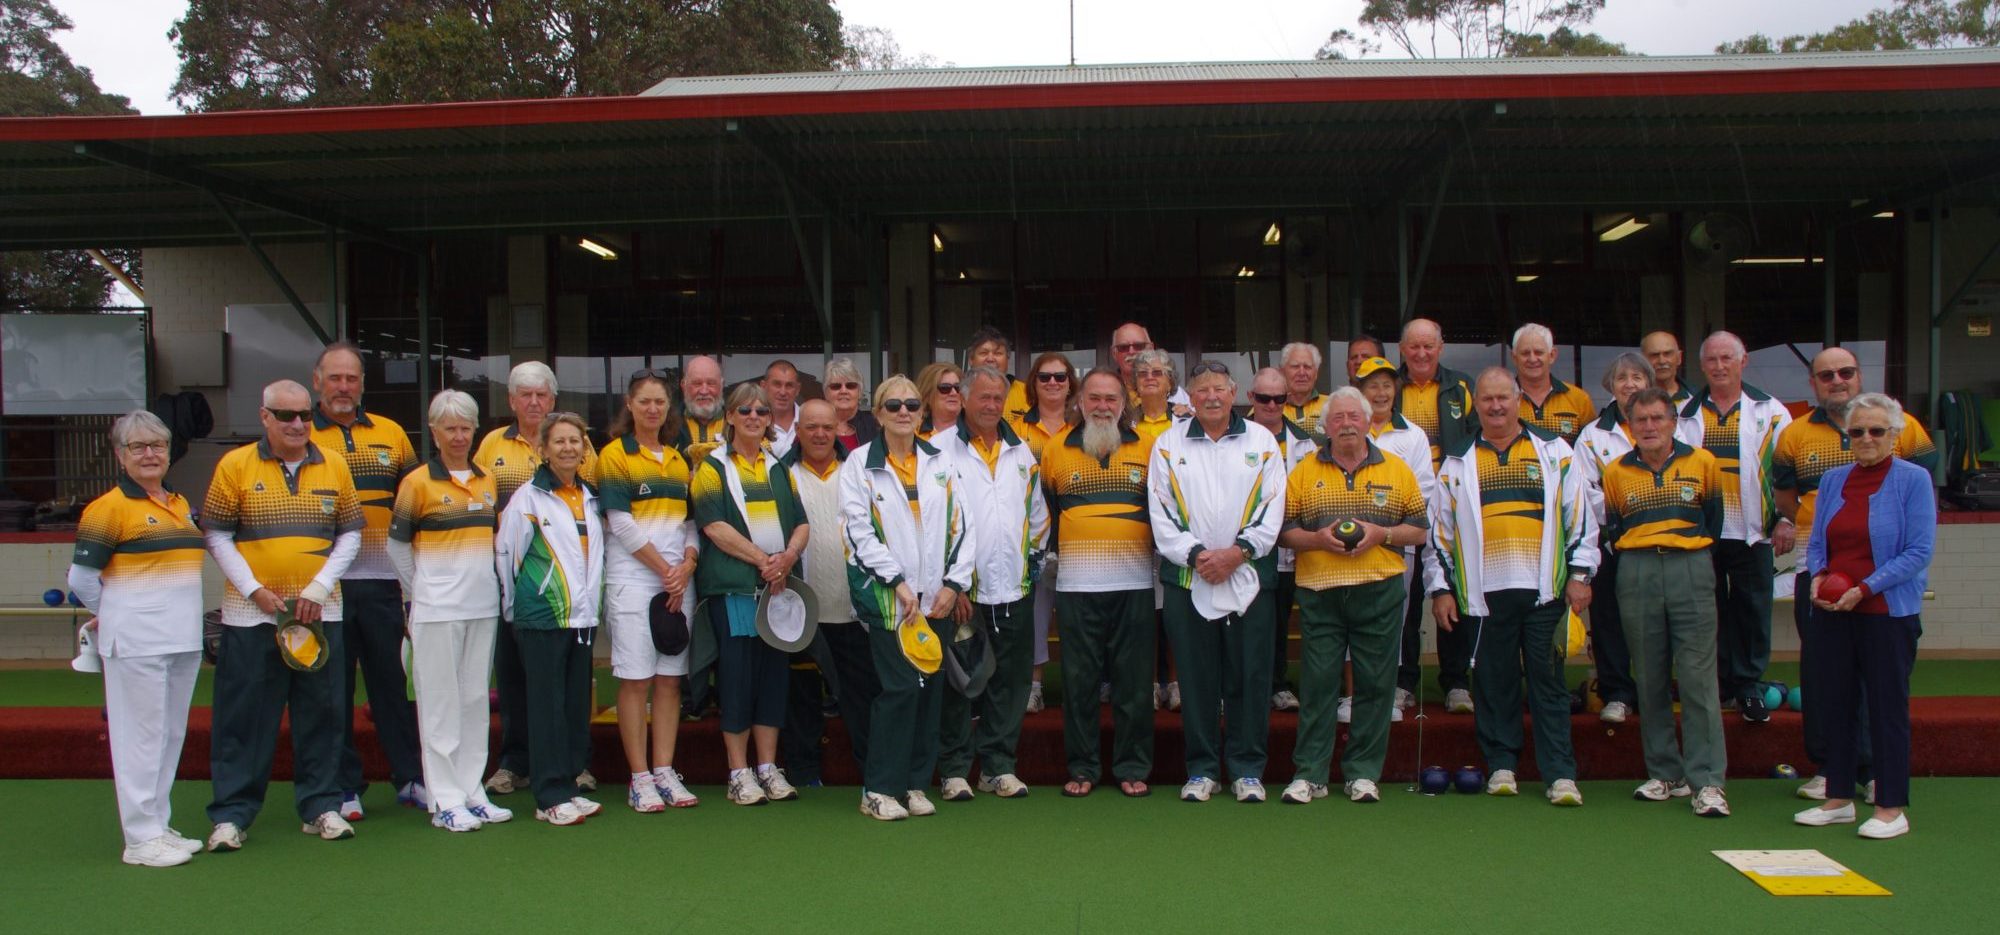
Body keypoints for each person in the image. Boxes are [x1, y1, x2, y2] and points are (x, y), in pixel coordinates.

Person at [201, 380, 364, 851]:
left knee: (325, 714)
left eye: (304, 415)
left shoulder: (333, 464)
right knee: (245, 717)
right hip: (251, 618)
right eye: (286, 415)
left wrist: (317, 586)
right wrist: (254, 590)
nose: (298, 424)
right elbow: (217, 535)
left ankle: (321, 807)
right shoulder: (235, 465)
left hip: (319, 613)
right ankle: (232, 816)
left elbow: (349, 536)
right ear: (265, 416)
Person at [1427, 368, 1597, 805]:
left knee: (1549, 682)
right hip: (1483, 598)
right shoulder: (1458, 460)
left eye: (1504, 398)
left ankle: (1560, 774)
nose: (1496, 406)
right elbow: (1439, 536)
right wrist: (1441, 590)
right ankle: (1501, 765)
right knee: (1493, 683)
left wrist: (1580, 576)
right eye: (1487, 400)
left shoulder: (1555, 450)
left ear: (1518, 399)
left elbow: (1579, 518)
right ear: (1476, 405)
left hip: (1546, 593)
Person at [1774, 351, 1938, 801]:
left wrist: (1863, 589)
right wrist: (1823, 579)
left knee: (1885, 705)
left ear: (1894, 435)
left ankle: (1886, 795)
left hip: (1885, 605)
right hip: (1832, 602)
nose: (1866, 437)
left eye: (1876, 431)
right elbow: (1815, 535)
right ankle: (1837, 790)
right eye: (1858, 431)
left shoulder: (1912, 478)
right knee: (1834, 697)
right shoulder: (1831, 478)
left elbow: (1919, 549)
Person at [68, 410, 207, 866]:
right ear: (120, 455)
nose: (150, 454)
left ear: (170, 452)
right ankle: (140, 839)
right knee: (140, 739)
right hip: (137, 642)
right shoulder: (107, 509)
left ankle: (158, 826)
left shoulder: (179, 503)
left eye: (158, 446)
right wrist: (111, 613)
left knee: (168, 735)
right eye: (138, 447)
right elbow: (82, 579)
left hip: (181, 639)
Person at [1278, 389, 1429, 805]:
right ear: (1325, 426)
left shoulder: (1397, 470)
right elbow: (1284, 531)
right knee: (1319, 684)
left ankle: (1362, 774)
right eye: (1338, 417)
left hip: (1378, 589)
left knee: (1376, 686)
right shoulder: (1304, 471)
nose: (1346, 423)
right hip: (1319, 591)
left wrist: (1383, 534)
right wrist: (1316, 539)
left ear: (1367, 422)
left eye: (1353, 416)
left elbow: (1418, 528)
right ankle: (1310, 774)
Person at [842, 375, 977, 820]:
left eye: (912, 405)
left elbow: (963, 526)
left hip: (934, 597)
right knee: (899, 689)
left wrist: (953, 585)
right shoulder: (859, 464)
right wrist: (896, 582)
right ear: (878, 413)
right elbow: (857, 532)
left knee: (930, 692)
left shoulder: (940, 463)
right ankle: (879, 789)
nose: (904, 412)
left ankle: (916, 784)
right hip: (888, 600)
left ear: (922, 413)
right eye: (893, 405)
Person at [1150, 361, 1285, 803]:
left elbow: (1272, 506)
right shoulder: (1167, 445)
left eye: (1220, 389)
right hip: (1190, 580)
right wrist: (1197, 556)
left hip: (1247, 579)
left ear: (1234, 394)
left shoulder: (1262, 441)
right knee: (1196, 678)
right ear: (1190, 396)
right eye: (1202, 389)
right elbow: (1161, 511)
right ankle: (1202, 769)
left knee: (1249, 677)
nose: (1211, 396)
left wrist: (1237, 554)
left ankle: (1247, 770)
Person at [386, 390, 513, 832]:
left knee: (475, 699)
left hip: (481, 606)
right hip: (437, 610)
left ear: (475, 430)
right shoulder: (417, 482)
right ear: (434, 432)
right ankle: (444, 799)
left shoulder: (486, 481)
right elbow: (397, 547)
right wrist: (419, 592)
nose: (458, 436)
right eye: (450, 428)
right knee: (439, 703)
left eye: (465, 427)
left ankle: (471, 790)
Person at [1602, 388, 1731, 818]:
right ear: (1630, 426)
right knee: (1650, 675)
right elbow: (1616, 527)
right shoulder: (1616, 472)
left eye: (1658, 418)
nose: (1650, 427)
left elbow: (1713, 519)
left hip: (1690, 566)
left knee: (1697, 677)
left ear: (1674, 422)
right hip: (1636, 569)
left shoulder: (1703, 463)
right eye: (1641, 421)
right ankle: (1664, 772)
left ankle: (1708, 781)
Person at [308, 342, 423, 822]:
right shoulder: (302, 436)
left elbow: (419, 500)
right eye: (334, 378)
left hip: (383, 581)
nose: (343, 387)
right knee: (333, 690)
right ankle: (344, 786)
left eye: (351, 378)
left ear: (361, 383)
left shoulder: (392, 434)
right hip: (326, 586)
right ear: (318, 381)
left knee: (391, 685)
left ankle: (411, 778)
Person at [475, 360, 598, 797]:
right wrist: (515, 593)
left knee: (567, 688)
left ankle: (573, 764)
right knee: (516, 683)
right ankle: (515, 762)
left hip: (571, 597)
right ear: (511, 401)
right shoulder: (490, 445)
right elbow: (486, 511)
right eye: (524, 395)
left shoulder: (580, 454)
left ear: (552, 399)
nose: (533, 401)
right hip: (525, 588)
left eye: (541, 394)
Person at [690, 383, 811, 806]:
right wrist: (765, 560)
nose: (755, 417)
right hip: (736, 590)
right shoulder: (712, 469)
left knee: (773, 680)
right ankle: (738, 772)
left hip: (776, 591)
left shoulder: (779, 467)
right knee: (738, 679)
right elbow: (714, 528)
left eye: (761, 411)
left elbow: (801, 522)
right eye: (745, 411)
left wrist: (789, 556)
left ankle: (767, 768)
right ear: (730, 417)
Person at [1044, 368, 1158, 798]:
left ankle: (1132, 766)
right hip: (1076, 586)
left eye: (1111, 398)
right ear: (1079, 401)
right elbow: (1050, 514)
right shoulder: (1056, 449)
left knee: (1133, 682)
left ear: (1124, 402)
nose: (1103, 406)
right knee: (1079, 683)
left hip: (1134, 584)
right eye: (1094, 398)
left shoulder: (1148, 448)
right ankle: (1084, 767)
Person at [937, 366, 1049, 801]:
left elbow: (1037, 515)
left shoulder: (1021, 450)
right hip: (964, 593)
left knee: (1013, 680)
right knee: (962, 682)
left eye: (997, 398)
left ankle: (998, 766)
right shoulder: (939, 451)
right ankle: (955, 769)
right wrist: (955, 583)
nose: (990, 405)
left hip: (1014, 588)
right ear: (963, 399)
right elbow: (937, 522)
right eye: (982, 397)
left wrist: (1030, 565)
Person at [597, 369, 701, 812]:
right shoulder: (614, 456)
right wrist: (667, 572)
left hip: (679, 582)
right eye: (645, 402)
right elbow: (620, 523)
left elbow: (691, 523)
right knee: (636, 679)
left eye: (661, 402)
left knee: (669, 680)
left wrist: (688, 566)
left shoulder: (679, 460)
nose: (654, 409)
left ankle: (664, 770)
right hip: (636, 581)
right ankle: (639, 777)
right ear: (630, 405)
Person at [495, 411, 605, 827]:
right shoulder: (527, 498)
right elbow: (508, 557)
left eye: (575, 441)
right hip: (541, 617)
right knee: (545, 708)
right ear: (543, 449)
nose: (568, 448)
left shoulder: (591, 497)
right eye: (559, 441)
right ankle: (548, 795)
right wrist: (514, 610)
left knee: (574, 706)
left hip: (581, 618)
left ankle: (569, 785)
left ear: (584, 448)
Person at [1677, 331, 1793, 723]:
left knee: (1752, 608)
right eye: (1712, 359)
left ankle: (1747, 685)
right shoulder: (1684, 413)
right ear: (1702, 365)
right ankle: (1717, 684)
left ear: (1743, 362)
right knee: (1707, 611)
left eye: (1728, 358)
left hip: (1754, 529)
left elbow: (1788, 471)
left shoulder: (1771, 410)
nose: (1720, 366)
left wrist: (1786, 519)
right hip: (1703, 532)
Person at [778, 399, 879, 786]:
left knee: (862, 694)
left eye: (826, 427)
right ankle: (803, 772)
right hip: (801, 607)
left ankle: (872, 771)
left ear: (838, 427)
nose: (819, 434)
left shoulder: (857, 471)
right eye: (810, 427)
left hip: (852, 608)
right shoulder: (781, 473)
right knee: (800, 694)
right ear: (798, 430)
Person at [1394, 318, 1476, 714]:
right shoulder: (1390, 387)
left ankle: (1456, 681)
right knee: (1406, 596)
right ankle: (1404, 681)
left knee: (1452, 589)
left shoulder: (1461, 386)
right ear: (1402, 349)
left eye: (1429, 346)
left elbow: (1476, 442)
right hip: (1401, 505)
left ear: (1441, 348)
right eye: (1414, 347)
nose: (1422, 353)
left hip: (1451, 503)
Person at [1572, 352, 1654, 724]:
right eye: (1622, 379)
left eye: (1638, 377)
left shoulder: (1672, 425)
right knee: (1609, 621)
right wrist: (1632, 507)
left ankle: (1655, 693)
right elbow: (1588, 494)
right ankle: (1617, 692)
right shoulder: (1592, 435)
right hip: (1611, 542)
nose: (1630, 384)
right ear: (1611, 386)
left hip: (1660, 542)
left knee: (1656, 622)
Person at [1354, 356, 1437, 724]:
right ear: (1360, 390)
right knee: (1355, 620)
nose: (1381, 392)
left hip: (1396, 544)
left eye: (1387, 385)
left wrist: (1388, 526)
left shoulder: (1413, 435)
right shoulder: (1347, 427)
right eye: (1373, 385)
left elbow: (1423, 491)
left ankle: (1385, 695)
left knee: (1393, 621)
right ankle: (1355, 695)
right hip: (1352, 546)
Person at [1011, 351, 1078, 713]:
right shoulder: (1017, 429)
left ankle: (1082, 684)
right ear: (1033, 385)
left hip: (1076, 538)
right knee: (1035, 613)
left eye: (1060, 377)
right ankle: (1034, 685)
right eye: (1045, 377)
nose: (1053, 383)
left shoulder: (1082, 426)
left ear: (1071, 384)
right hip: (1032, 537)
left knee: (1077, 616)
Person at [1247, 367, 1315, 712]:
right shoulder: (1236, 436)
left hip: (1292, 547)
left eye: (1279, 398)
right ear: (1250, 398)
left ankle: (1278, 684)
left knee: (1280, 619)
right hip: (1248, 547)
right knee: (1253, 622)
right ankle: (1252, 687)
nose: (1272, 405)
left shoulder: (1307, 442)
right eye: (1264, 398)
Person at [1512, 323, 1596, 444]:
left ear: (1552, 355)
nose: (1532, 359)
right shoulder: (1500, 401)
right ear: (1514, 358)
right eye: (1525, 353)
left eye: (1538, 352)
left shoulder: (1579, 399)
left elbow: (1592, 449)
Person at [1109, 321, 1191, 411]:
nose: (1131, 352)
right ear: (1114, 353)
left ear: (1151, 348)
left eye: (1139, 346)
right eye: (1123, 347)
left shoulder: (1173, 392)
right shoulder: (1105, 390)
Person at [966, 324, 1033, 419]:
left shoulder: (1028, 393)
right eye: (983, 353)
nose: (990, 359)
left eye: (997, 353)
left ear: (1007, 359)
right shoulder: (956, 392)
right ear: (971, 360)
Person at [677, 355, 729, 466]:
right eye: (697, 383)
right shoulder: (666, 425)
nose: (704, 391)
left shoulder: (738, 425)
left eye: (711, 383)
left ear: (722, 385)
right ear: (683, 386)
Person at [1130, 348, 1181, 449]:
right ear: (1136, 383)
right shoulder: (1125, 422)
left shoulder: (1184, 420)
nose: (1149, 377)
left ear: (1170, 383)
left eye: (1157, 373)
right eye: (1143, 374)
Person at [825, 357, 877, 449]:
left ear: (860, 392)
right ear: (826, 393)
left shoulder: (874, 426)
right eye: (836, 386)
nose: (843, 391)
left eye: (851, 386)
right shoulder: (815, 426)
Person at [1279, 341, 1328, 437]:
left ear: (1316, 373)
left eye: (1307, 367)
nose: (1302, 372)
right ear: (1282, 372)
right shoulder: (1268, 407)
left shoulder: (1332, 405)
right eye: (1295, 366)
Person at [1640, 331, 1693, 406]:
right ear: (1642, 360)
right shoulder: (1632, 398)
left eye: (1667, 354)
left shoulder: (1697, 400)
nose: (1662, 361)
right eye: (1654, 355)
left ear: (1679, 358)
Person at [763, 360, 803, 458]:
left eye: (789, 385)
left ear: (797, 389)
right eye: (777, 384)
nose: (783, 392)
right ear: (763, 386)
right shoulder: (752, 422)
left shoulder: (810, 420)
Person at [916, 361, 963, 440]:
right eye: (945, 388)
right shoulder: (913, 433)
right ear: (928, 394)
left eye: (958, 387)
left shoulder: (975, 430)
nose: (954, 393)